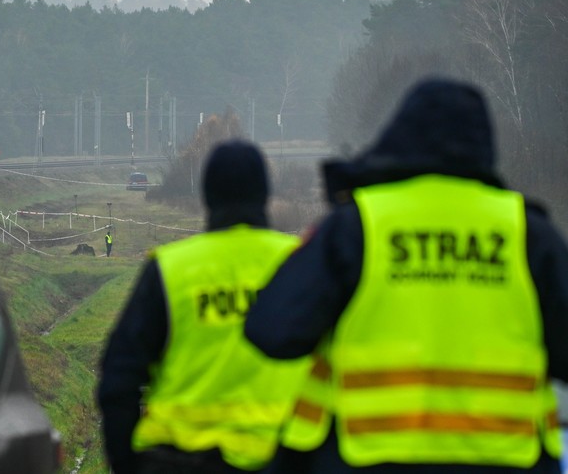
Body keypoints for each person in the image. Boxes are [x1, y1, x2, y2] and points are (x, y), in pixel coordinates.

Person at [244, 76, 568, 473]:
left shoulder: (357, 226)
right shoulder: (529, 233)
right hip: (506, 459)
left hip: (366, 457)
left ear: (398, 138)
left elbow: (272, 331)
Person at [97, 140, 309, 474]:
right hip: (286, 458)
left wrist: (126, 462)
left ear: (207, 196)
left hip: (178, 461)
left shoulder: (170, 269)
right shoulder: (303, 264)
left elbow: (118, 376)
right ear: (265, 195)